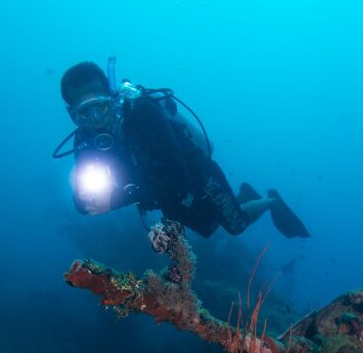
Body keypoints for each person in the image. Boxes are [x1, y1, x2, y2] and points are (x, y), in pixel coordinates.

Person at [57, 61, 310, 239]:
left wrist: (116, 200)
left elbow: (180, 179)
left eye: (100, 107)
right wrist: (84, 197)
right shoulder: (84, 140)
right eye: (84, 112)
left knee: (236, 225)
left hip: (197, 177)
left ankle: (271, 200)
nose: (95, 120)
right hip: (160, 194)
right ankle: (243, 195)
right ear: (72, 114)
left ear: (112, 97)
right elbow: (82, 202)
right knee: (208, 228)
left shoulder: (144, 114)